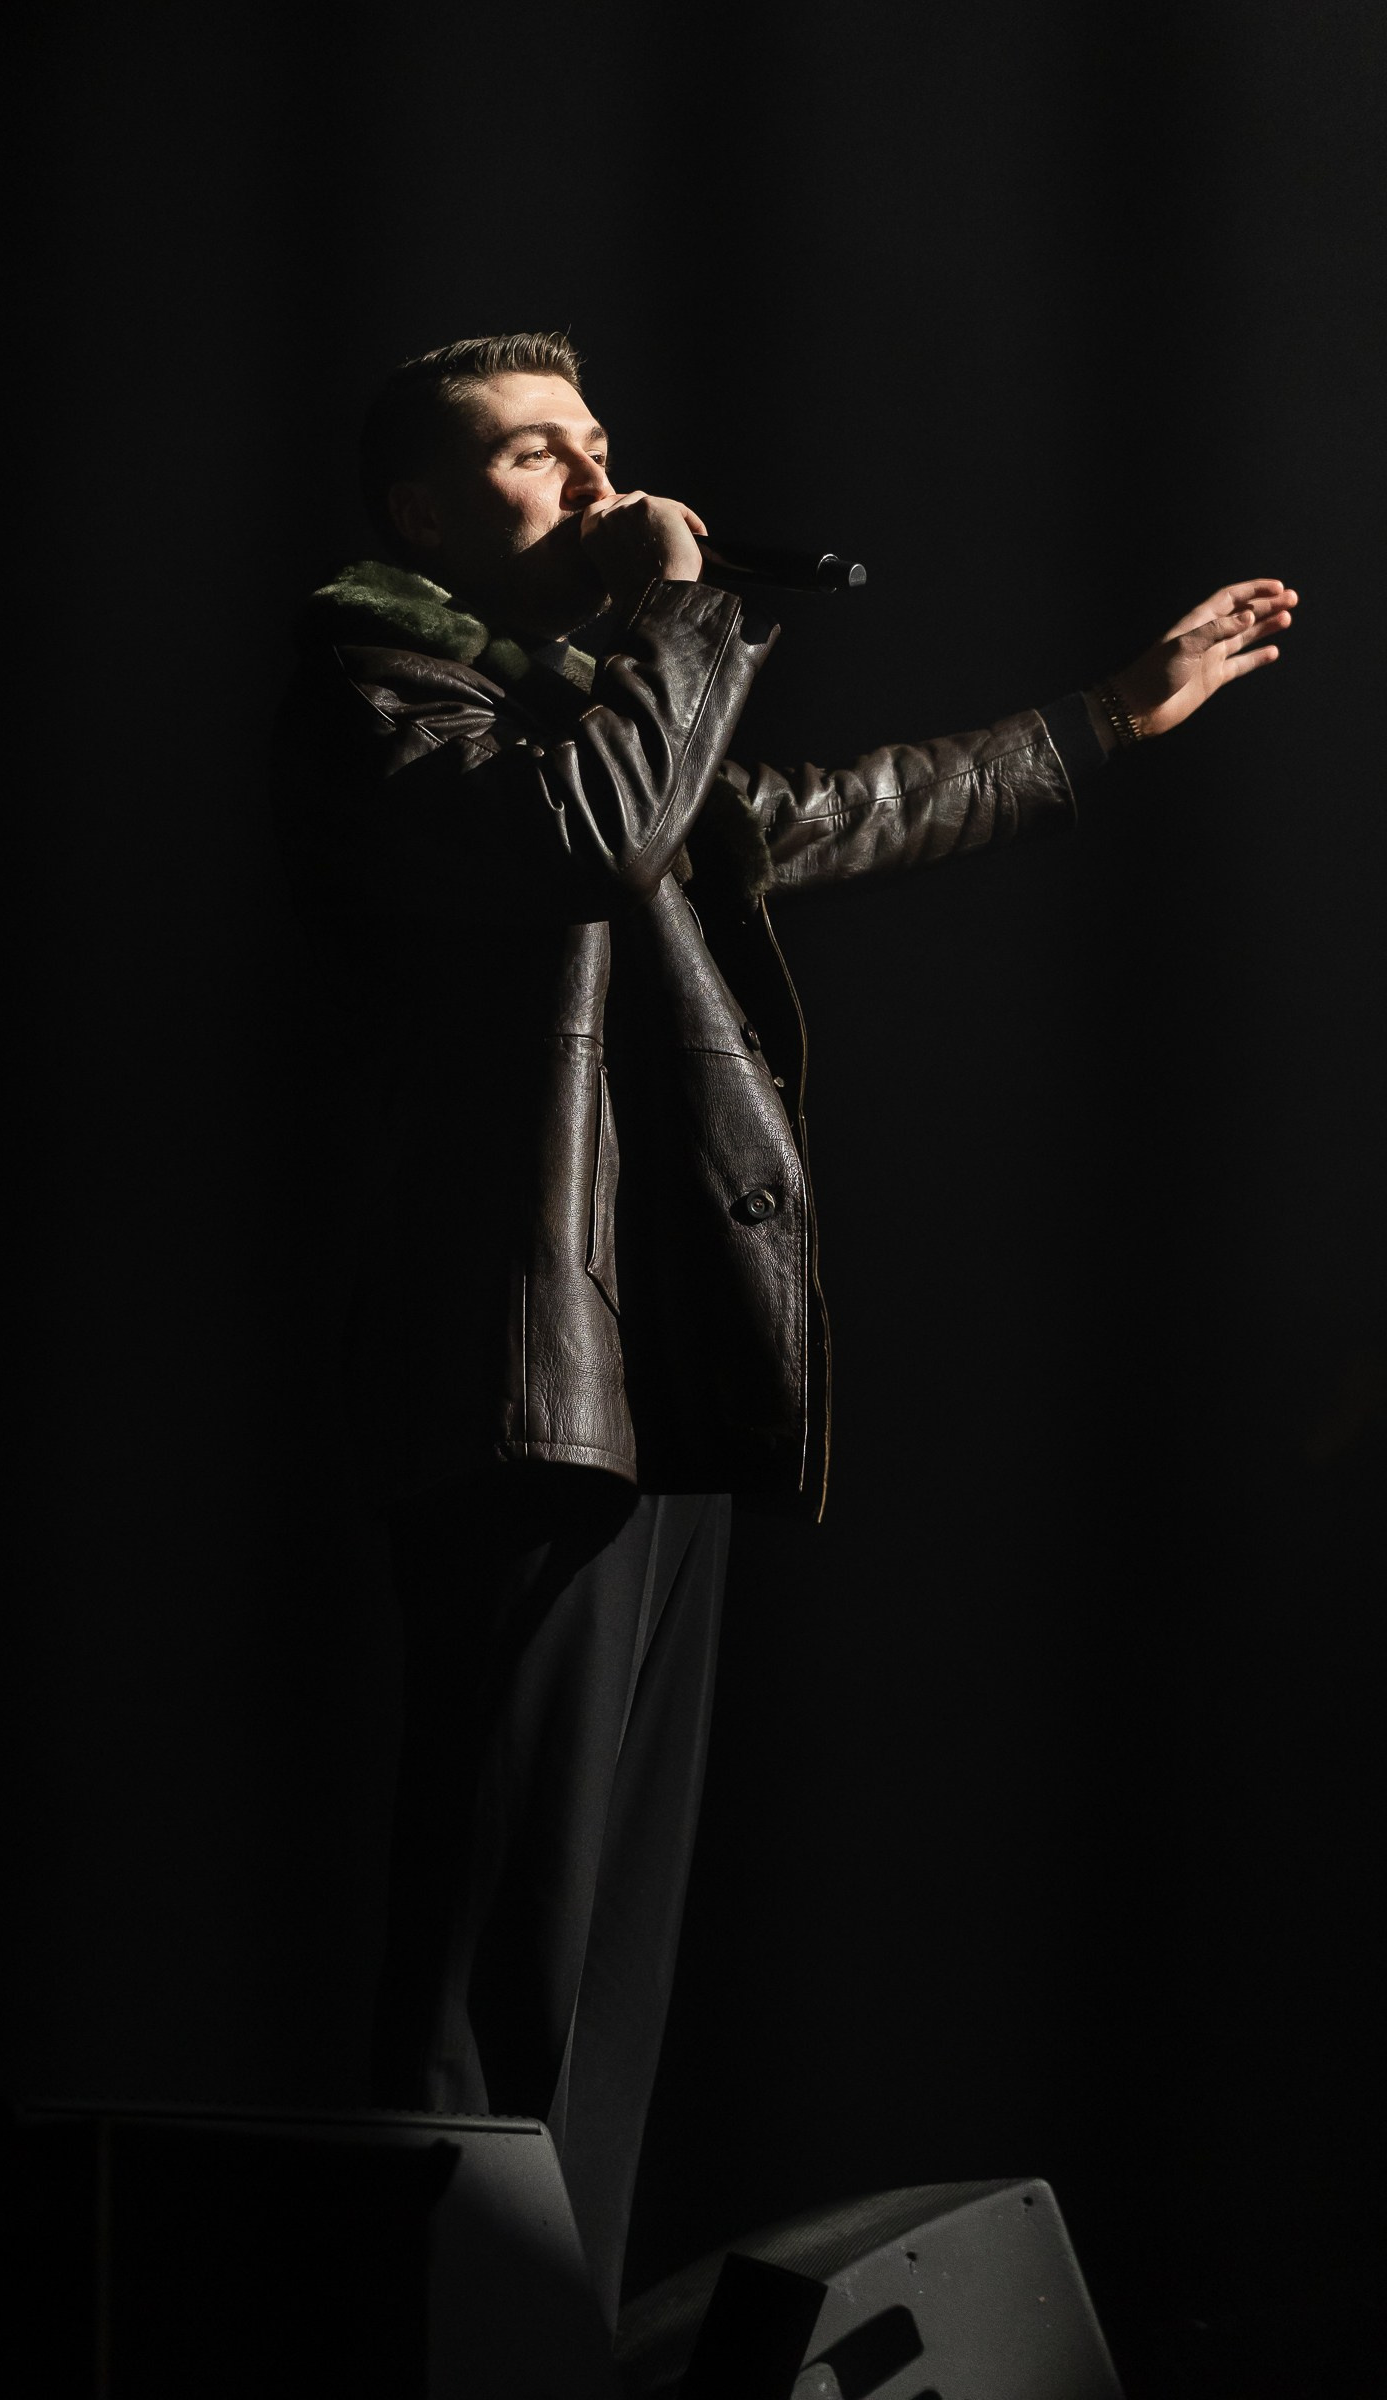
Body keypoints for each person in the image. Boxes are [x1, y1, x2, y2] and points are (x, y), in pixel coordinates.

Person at [270, 330, 1296, 2326]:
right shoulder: (377, 692)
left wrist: (1107, 717)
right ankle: (432, 2342)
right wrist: (675, 613)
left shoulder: (577, 707)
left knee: (606, 1943)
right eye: (531, 456)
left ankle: (539, 2327)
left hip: (642, 1364)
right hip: (515, 1373)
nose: (593, 480)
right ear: (418, 512)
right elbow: (590, 839)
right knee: (503, 1917)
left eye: (596, 444)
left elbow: (817, 814)